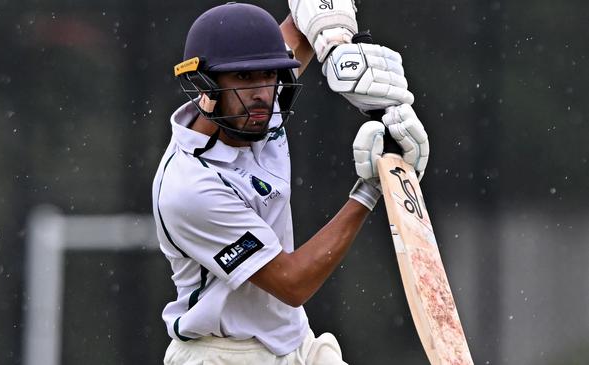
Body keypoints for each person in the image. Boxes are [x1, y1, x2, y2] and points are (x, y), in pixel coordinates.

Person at [152, 2, 429, 364]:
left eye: (269, 75)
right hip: (225, 354)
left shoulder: (256, 105)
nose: (261, 93)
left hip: (295, 343)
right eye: (244, 78)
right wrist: (371, 189)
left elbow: (303, 21)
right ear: (205, 85)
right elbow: (292, 283)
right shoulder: (190, 188)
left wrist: (334, 36)